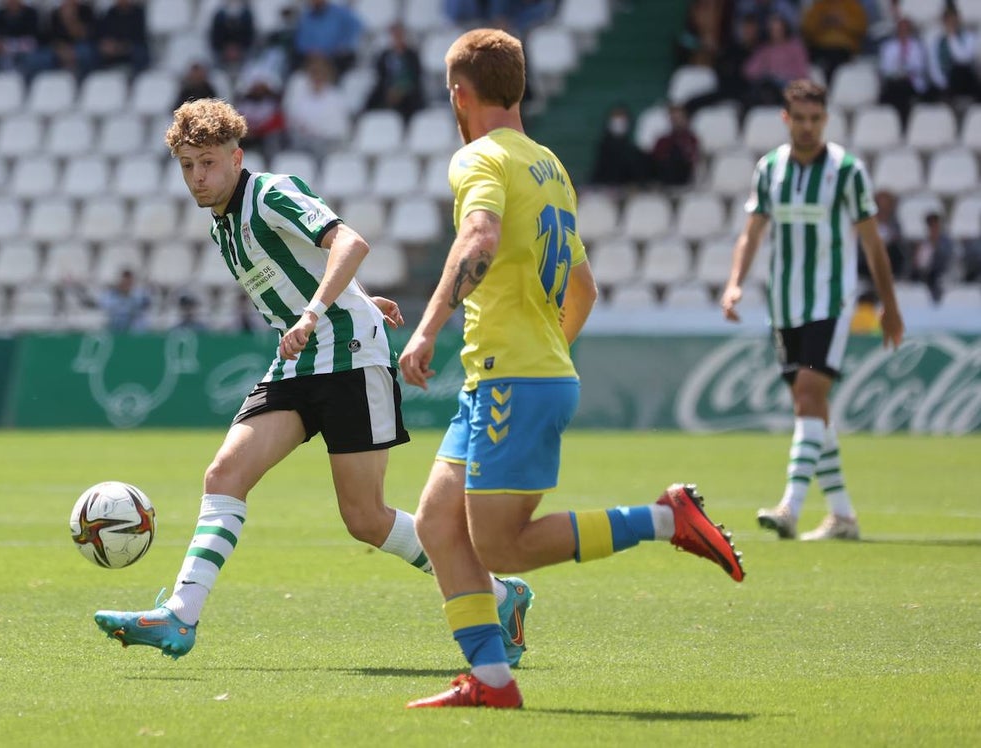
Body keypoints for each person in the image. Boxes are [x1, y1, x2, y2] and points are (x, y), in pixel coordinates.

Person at [93, 97, 532, 664]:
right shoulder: (220, 225)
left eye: (207, 163)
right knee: (224, 474)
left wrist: (319, 312)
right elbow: (305, 269)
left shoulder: (270, 193)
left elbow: (350, 242)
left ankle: (498, 594)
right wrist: (351, 299)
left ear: (235, 156)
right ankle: (180, 616)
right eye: (186, 166)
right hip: (299, 361)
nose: (197, 177)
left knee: (366, 519)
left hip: (350, 356)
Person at [397, 28, 744, 710]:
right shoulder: (549, 167)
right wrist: (548, 354)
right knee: (438, 525)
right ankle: (492, 682)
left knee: (502, 548)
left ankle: (665, 519)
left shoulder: (478, 160)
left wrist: (428, 328)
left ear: (459, 95)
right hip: (510, 377)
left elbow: (479, 239)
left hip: (512, 380)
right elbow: (583, 288)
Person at [720, 79, 904, 542]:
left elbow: (872, 242)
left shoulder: (846, 170)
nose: (807, 127)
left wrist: (889, 304)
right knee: (812, 408)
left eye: (815, 119)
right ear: (786, 119)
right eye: (798, 118)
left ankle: (791, 506)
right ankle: (842, 516)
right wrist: (735, 284)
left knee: (807, 395)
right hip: (783, 305)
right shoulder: (770, 169)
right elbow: (752, 232)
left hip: (830, 300)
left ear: (825, 119)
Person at [365, 22, 424, 122]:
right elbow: (381, 76)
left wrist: (400, 89)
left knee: (411, 101)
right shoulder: (384, 56)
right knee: (371, 100)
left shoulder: (412, 55)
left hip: (408, 90)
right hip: (387, 90)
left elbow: (415, 77)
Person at [68, 267, 152, 332]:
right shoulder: (111, 296)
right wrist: (76, 288)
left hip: (133, 331)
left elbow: (148, 306)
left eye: (129, 282)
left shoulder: (139, 295)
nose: (126, 285)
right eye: (124, 281)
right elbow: (93, 304)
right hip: (115, 330)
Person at [801, 0, 868, 81]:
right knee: (805, 59)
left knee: (834, 62)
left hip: (843, 47)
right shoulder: (818, 6)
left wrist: (842, 21)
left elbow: (861, 28)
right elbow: (807, 29)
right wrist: (822, 22)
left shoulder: (852, 5)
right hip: (819, 46)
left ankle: (830, 88)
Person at [588, 104, 649, 188]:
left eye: (622, 117)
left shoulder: (633, 151)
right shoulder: (603, 148)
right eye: (616, 117)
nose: (618, 122)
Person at [927, 6, 980, 102]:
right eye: (949, 21)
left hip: (965, 79)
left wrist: (952, 36)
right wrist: (943, 84)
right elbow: (934, 67)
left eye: (953, 20)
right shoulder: (937, 42)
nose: (951, 23)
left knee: (959, 70)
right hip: (946, 82)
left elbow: (963, 58)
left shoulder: (968, 37)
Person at [907, 212, 953, 304]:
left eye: (936, 225)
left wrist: (935, 247)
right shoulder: (924, 245)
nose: (934, 229)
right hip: (926, 275)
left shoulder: (948, 243)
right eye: (931, 226)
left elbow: (948, 261)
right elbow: (920, 264)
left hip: (942, 274)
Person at [650, 102, 700, 187]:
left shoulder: (691, 139)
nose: (676, 121)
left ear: (685, 119)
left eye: (679, 118)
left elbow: (692, 159)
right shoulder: (663, 141)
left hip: (683, 175)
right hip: (664, 175)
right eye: (673, 118)